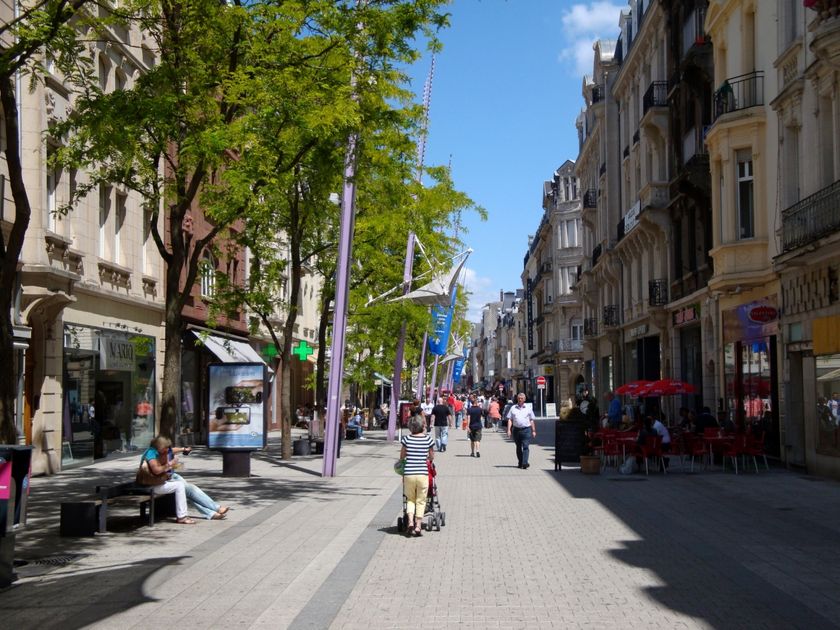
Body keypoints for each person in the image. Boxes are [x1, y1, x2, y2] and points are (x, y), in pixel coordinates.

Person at [141, 436, 228, 523]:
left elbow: (172, 451)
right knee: (185, 488)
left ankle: (211, 512)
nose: (168, 450)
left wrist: (182, 450)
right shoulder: (151, 453)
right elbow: (156, 470)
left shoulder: (158, 451)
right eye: (166, 448)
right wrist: (171, 464)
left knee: (188, 489)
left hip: (165, 478)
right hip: (154, 483)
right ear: (160, 446)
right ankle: (214, 509)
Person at [399, 415, 434, 537]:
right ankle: (418, 525)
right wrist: (428, 458)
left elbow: (402, 456)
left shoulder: (406, 439)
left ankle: (410, 522)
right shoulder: (428, 439)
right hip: (422, 474)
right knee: (421, 500)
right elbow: (431, 456)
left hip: (409, 473)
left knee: (410, 499)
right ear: (422, 426)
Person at [506, 392, 537, 469]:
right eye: (519, 398)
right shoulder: (513, 408)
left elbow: (531, 420)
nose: (520, 400)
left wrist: (533, 430)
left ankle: (525, 463)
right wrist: (509, 430)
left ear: (524, 399)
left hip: (526, 430)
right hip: (516, 430)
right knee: (518, 447)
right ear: (517, 399)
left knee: (526, 446)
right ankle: (520, 462)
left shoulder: (528, 408)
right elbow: (510, 419)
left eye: (522, 398)